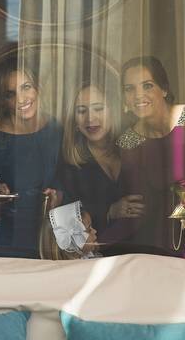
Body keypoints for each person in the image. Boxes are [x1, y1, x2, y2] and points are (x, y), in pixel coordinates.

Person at [111, 56, 185, 261]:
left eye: (148, 85)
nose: (138, 95)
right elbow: (140, 210)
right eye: (129, 88)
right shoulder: (128, 143)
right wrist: (113, 211)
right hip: (162, 254)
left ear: (164, 89)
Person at [0, 56, 62, 258]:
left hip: (46, 234)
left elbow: (67, 175)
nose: (21, 99)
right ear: (3, 100)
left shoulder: (55, 128)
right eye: (10, 94)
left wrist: (59, 194)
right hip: (3, 238)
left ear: (38, 87)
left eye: (26, 87)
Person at [59, 78, 143, 235]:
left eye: (98, 108)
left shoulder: (135, 143)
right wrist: (109, 211)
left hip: (148, 250)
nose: (90, 118)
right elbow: (69, 225)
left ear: (113, 111)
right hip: (100, 254)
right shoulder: (69, 165)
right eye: (82, 111)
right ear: (74, 120)